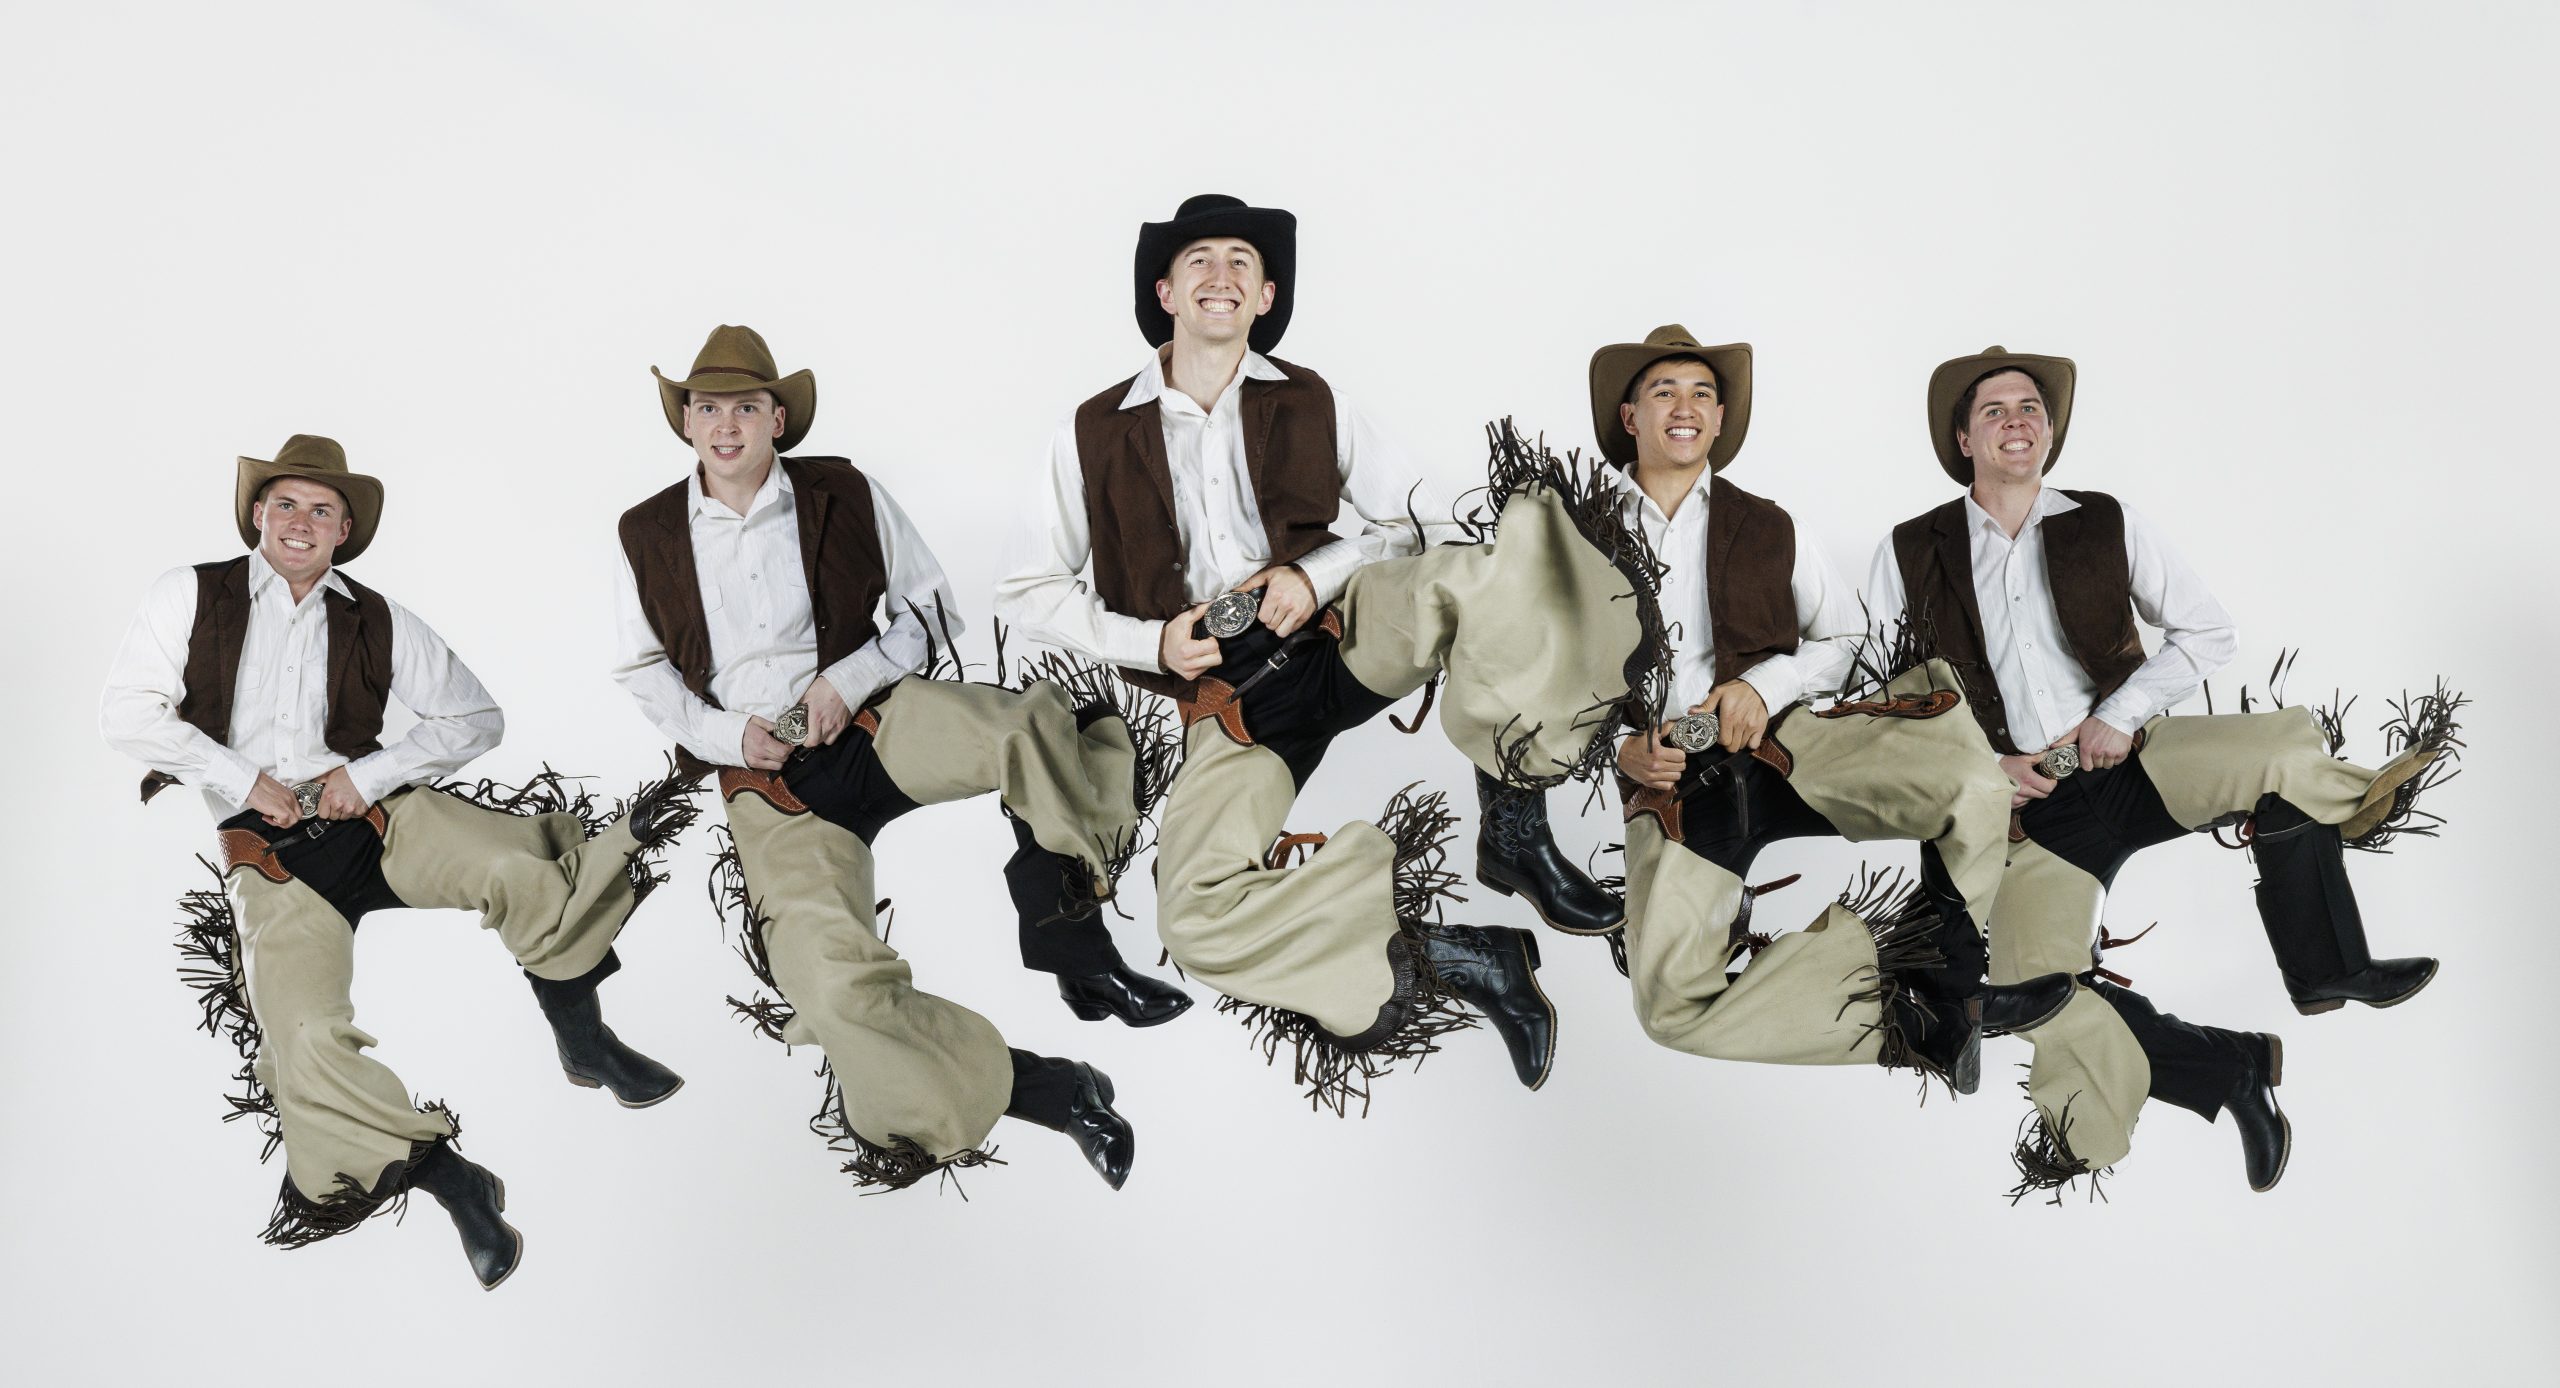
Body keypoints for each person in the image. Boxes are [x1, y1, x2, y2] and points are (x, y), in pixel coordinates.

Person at [996, 194, 1649, 1110]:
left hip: (1341, 637)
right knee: (1194, 919)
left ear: (1264, 296)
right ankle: (1466, 958)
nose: (1221, 276)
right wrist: (1152, 642)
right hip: (1230, 708)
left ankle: (1514, 832)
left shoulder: (1312, 399)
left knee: (1492, 569)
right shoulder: (1092, 429)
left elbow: (1409, 520)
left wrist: (1318, 573)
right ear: (1165, 292)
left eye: (1241, 263)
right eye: (1200, 262)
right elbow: (1026, 590)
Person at [104, 434, 696, 1289]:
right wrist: (244, 779)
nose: (301, 522)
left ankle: (585, 1040)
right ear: (257, 514)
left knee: (521, 868)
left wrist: (367, 774)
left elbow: (475, 718)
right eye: (285, 504)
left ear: (345, 528)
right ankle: (456, 1185)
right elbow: (125, 713)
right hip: (271, 857)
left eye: (320, 509)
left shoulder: (377, 617)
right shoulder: (189, 595)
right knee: (302, 1044)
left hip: (377, 818)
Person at [1868, 347, 2461, 1194]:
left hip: (2131, 764)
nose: (2016, 421)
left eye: (2030, 407)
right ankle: (2229, 1073)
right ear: (1963, 437)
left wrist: (2118, 715)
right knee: (2042, 992)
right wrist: (1984, 766)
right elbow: (1887, 700)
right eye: (1995, 410)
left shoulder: (2103, 520)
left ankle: (2327, 964)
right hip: (2029, 812)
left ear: (2049, 430)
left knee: (2282, 756)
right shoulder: (1909, 549)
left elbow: (2208, 632)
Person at [613, 324, 1162, 1191]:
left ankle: (1075, 946)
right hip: (769, 786)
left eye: (746, 407)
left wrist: (847, 680)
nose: (727, 426)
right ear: (684, 422)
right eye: (707, 408)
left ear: (778, 418)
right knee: (835, 999)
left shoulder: (843, 491)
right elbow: (643, 671)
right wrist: (730, 740)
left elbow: (932, 609)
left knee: (1024, 730)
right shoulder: (644, 533)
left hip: (873, 724)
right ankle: (1059, 1094)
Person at [1594, 327, 2073, 1093]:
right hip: (1673, 786)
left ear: (1719, 421)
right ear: (1629, 417)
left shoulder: (1772, 525)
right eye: (1664, 393)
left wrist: (1764, 687)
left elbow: (1849, 639)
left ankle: (1955, 988)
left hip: (1789, 750)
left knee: (1975, 785)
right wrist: (1620, 745)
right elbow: (1544, 680)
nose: (1685, 408)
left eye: (1703, 395)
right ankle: (1906, 1018)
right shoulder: (1583, 531)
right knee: (1668, 1011)